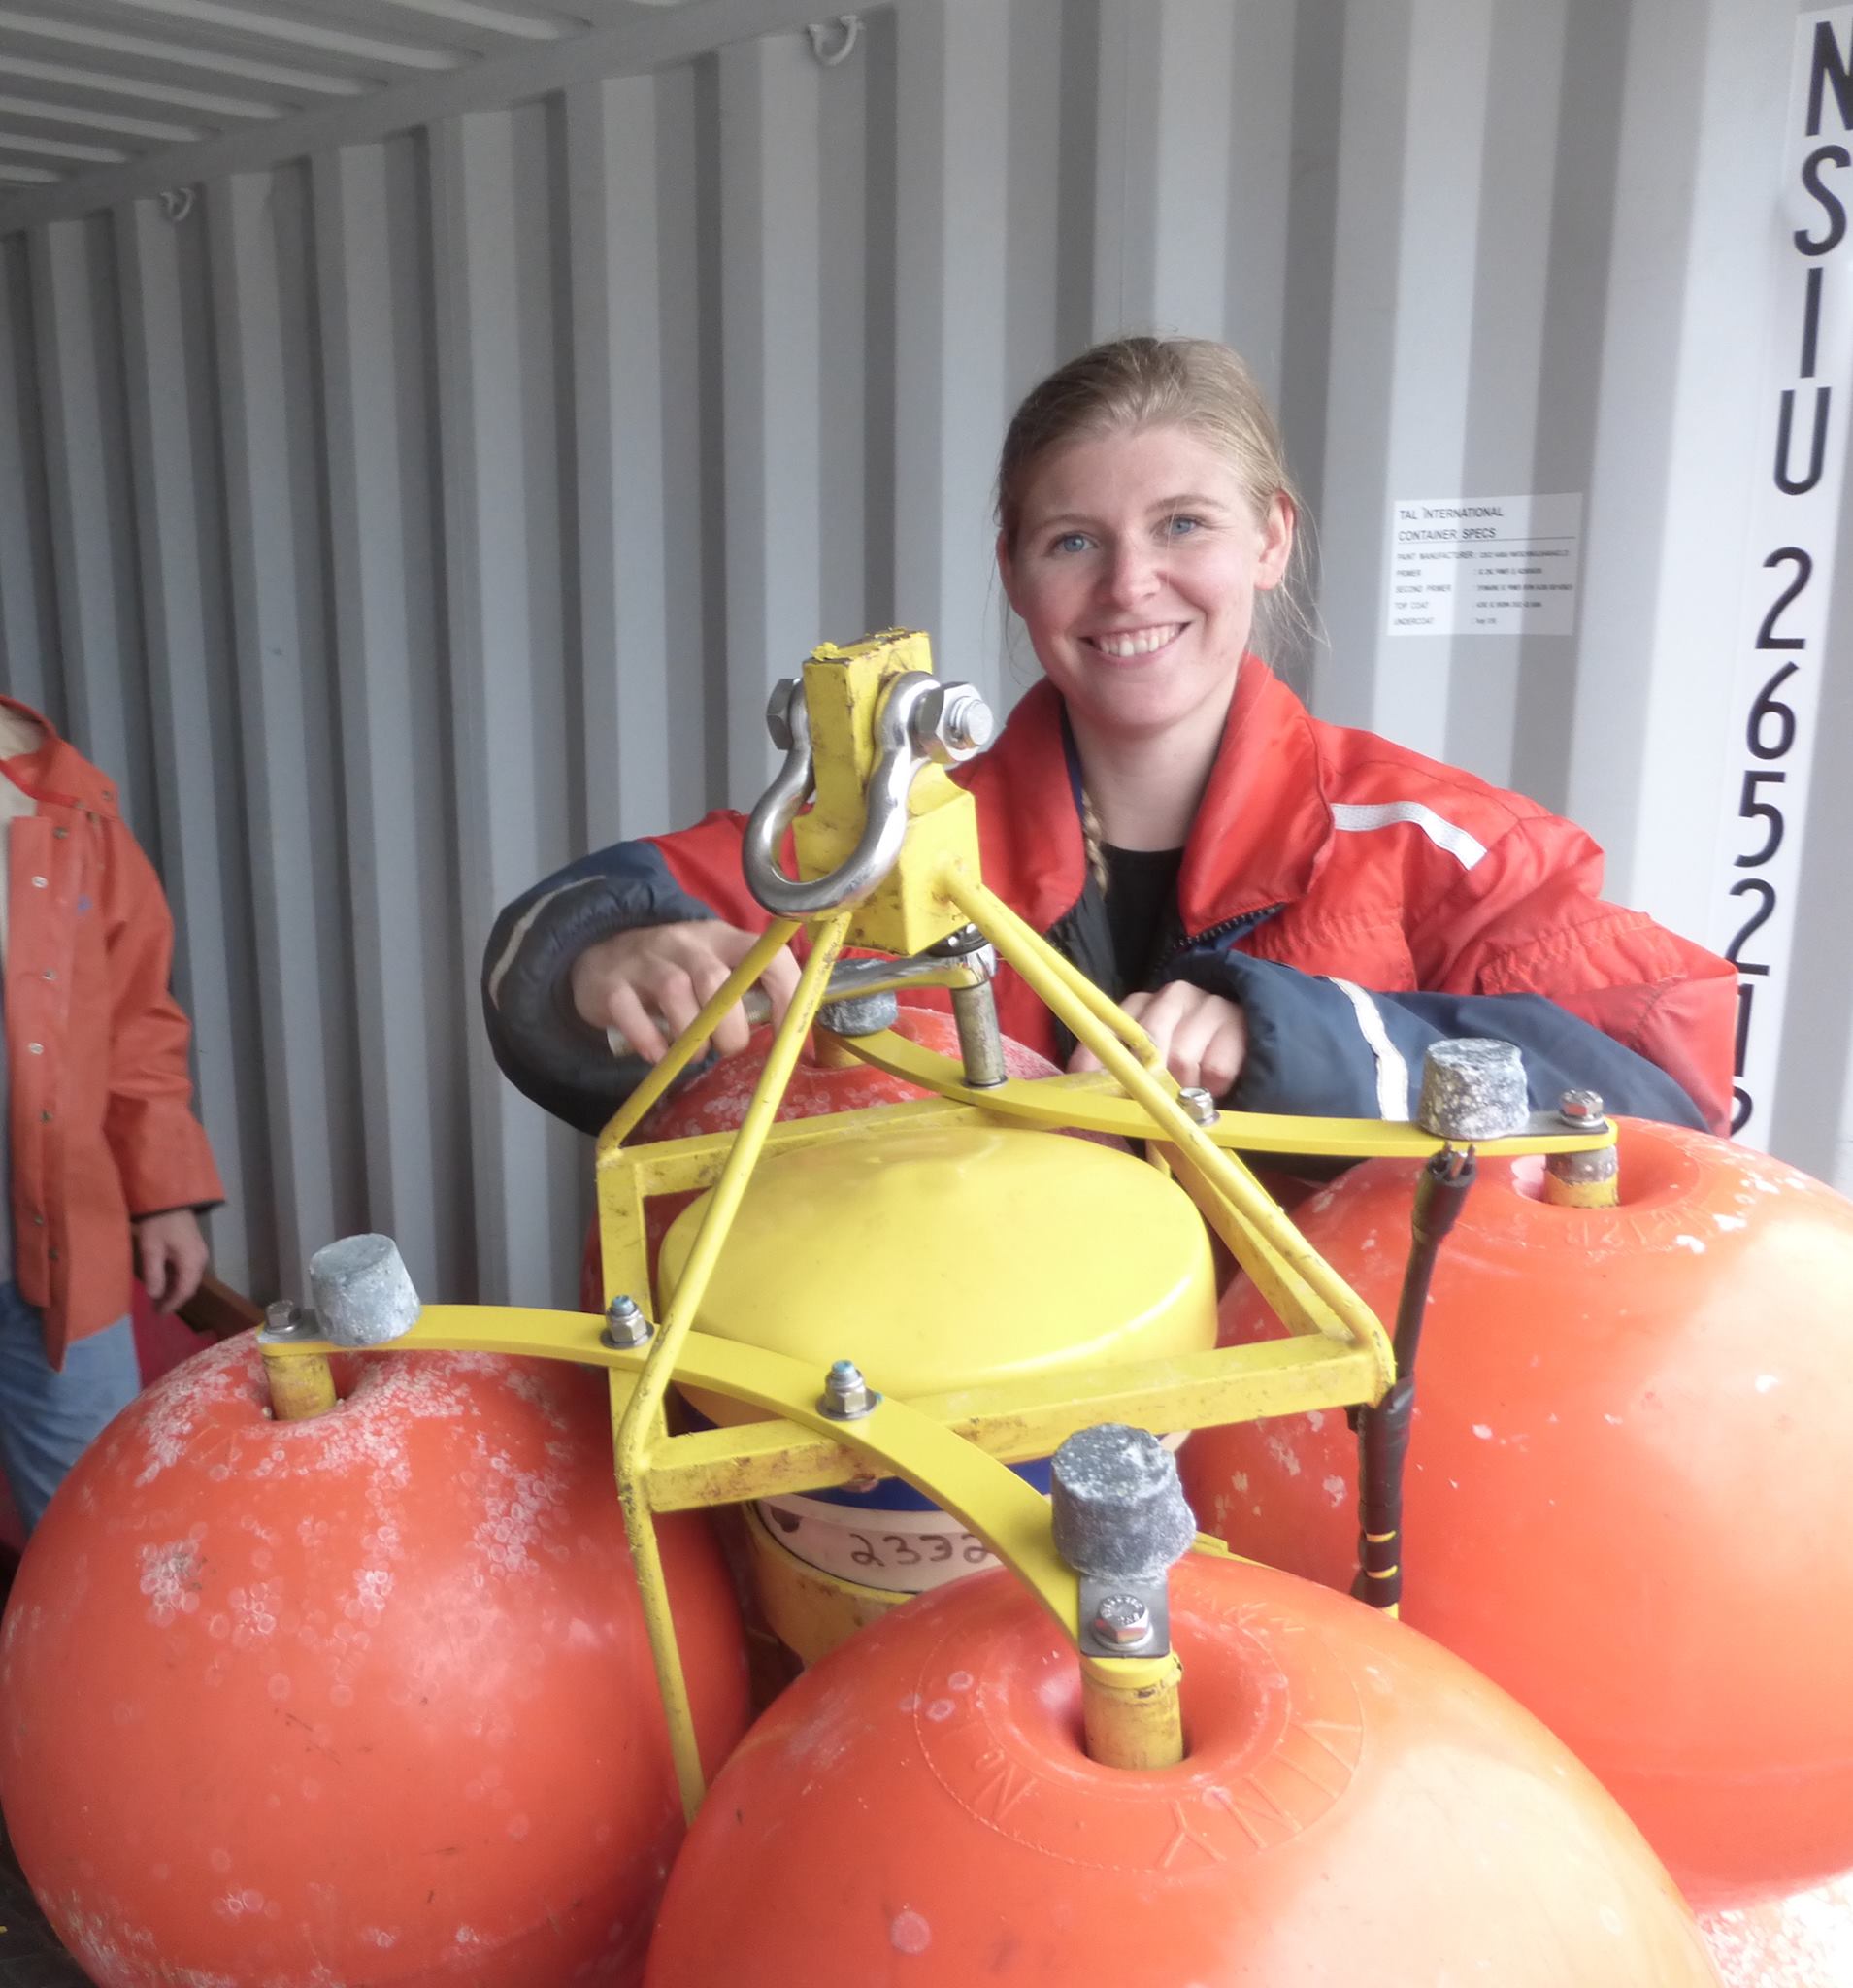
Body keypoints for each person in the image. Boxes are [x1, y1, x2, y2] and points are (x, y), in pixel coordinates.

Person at [482, 336, 1735, 1141]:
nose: (1130, 583)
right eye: (1073, 539)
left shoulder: (1426, 843)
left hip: (1311, 1484)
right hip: (969, 1471)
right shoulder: (895, 834)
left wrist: (1298, 1039)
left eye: (1184, 524)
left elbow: (1660, 1076)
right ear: (1017, 578)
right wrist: (618, 958)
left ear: (1271, 540)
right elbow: (567, 927)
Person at [0, 697, 222, 1535]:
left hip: (54, 1248)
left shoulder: (59, 798)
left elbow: (133, 1013)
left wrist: (164, 1192)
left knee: (96, 1532)